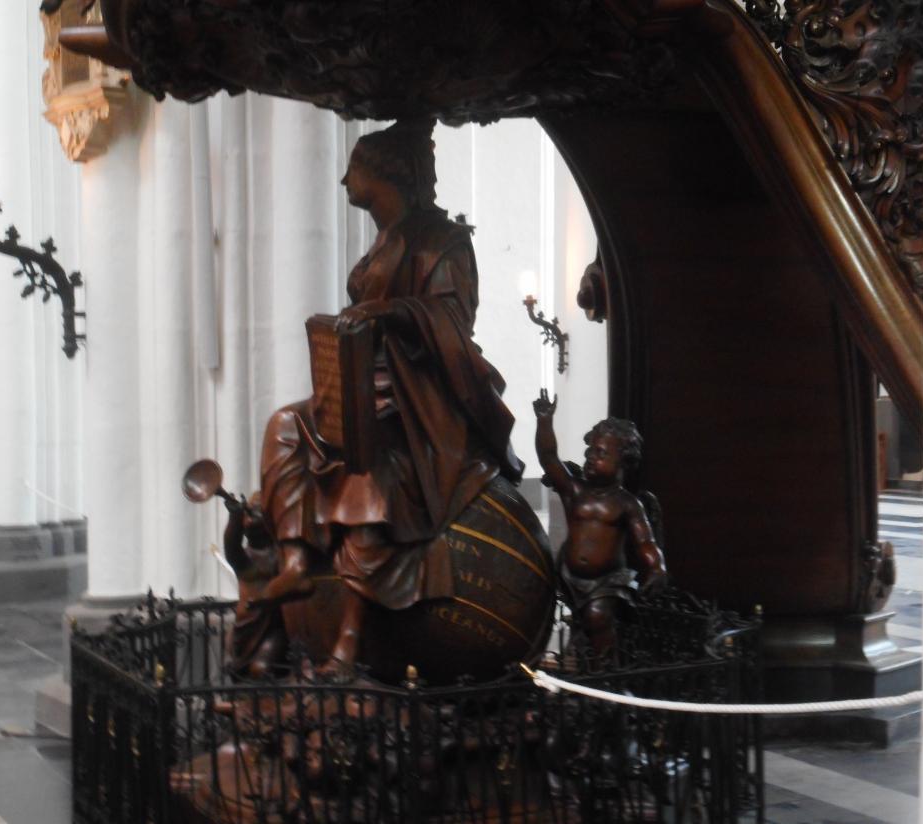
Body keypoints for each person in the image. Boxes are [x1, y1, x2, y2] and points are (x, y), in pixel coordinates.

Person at [257, 119, 523, 675]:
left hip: (421, 400)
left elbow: (452, 321)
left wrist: (388, 312)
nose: (343, 181)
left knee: (370, 464)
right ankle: (295, 561)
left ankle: (350, 642)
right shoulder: (384, 240)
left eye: (353, 168)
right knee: (284, 425)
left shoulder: (443, 241)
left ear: (386, 173)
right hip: (365, 387)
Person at [533, 390, 667, 654]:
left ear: (623, 462)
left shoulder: (627, 503)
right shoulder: (575, 491)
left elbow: (645, 542)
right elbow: (549, 458)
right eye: (589, 452)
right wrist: (545, 422)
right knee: (573, 621)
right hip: (569, 576)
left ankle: (606, 669)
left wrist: (656, 567)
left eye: (601, 453)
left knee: (598, 618)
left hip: (606, 582)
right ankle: (581, 659)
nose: (591, 458)